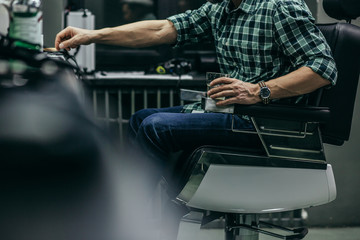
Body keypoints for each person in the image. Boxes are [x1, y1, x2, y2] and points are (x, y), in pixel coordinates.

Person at [55, 0, 337, 239]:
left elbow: (323, 67)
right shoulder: (220, 10)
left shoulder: (280, 6)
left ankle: (133, 224)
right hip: (235, 114)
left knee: (157, 128)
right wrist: (92, 35)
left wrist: (258, 90)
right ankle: (154, 216)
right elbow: (160, 29)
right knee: (141, 118)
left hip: (268, 124)